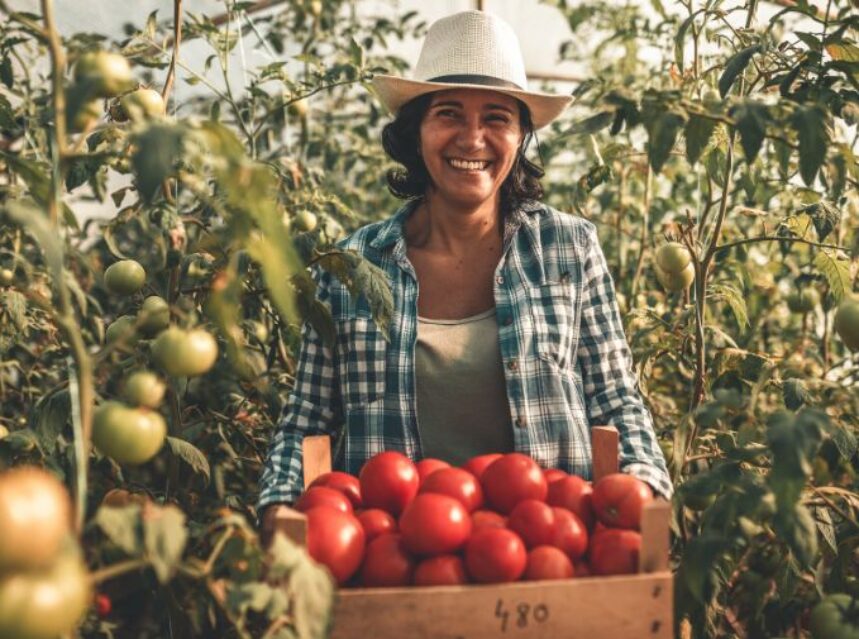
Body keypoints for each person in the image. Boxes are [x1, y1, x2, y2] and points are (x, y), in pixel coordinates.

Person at [258, 10, 671, 539]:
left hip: (550, 550)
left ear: (520, 136)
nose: (472, 139)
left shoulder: (567, 248)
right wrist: (279, 512)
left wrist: (646, 495)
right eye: (449, 113)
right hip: (395, 563)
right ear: (417, 132)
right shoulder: (352, 267)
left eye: (497, 117)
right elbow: (306, 422)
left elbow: (616, 400)